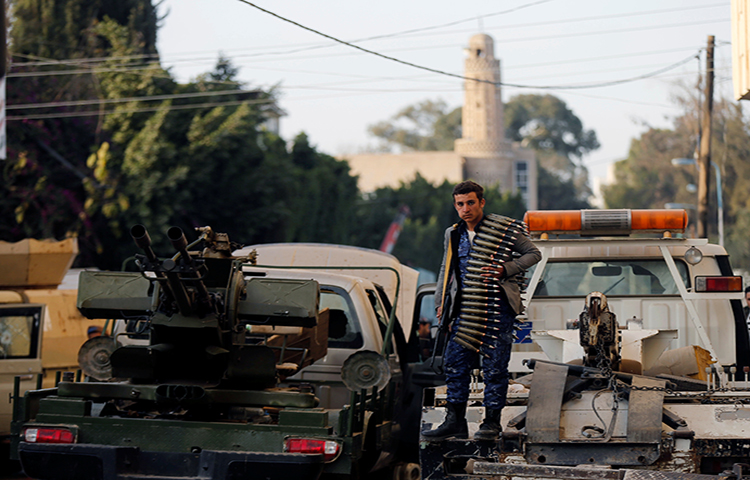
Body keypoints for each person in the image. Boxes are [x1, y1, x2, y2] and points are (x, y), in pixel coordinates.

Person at [423, 180, 541, 442]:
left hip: (498, 310)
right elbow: (446, 269)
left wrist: (505, 269)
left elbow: (533, 254)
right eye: (460, 204)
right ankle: (455, 422)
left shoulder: (502, 230)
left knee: (495, 369)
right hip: (464, 312)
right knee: (455, 365)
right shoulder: (452, 234)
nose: (465, 209)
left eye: (470, 203)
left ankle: (491, 423)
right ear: (455, 206)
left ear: (481, 203)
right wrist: (441, 303)